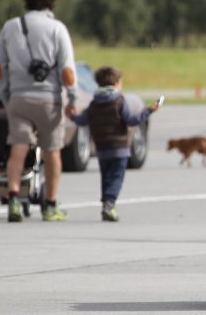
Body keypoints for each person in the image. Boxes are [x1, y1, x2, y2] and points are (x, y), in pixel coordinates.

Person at [0, 0, 77, 222]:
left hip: (19, 97)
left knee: (18, 149)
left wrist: (5, 95)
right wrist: (72, 98)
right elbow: (67, 70)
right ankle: (50, 205)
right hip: (49, 100)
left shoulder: (11, 27)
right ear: (51, 1)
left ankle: (13, 198)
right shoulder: (57, 29)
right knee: (52, 151)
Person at [66, 66, 161, 221]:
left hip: (101, 148)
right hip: (119, 148)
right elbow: (132, 120)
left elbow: (83, 121)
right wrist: (149, 110)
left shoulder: (94, 103)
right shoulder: (119, 101)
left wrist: (72, 116)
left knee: (105, 177)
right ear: (116, 83)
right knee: (116, 177)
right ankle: (109, 204)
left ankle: (106, 204)